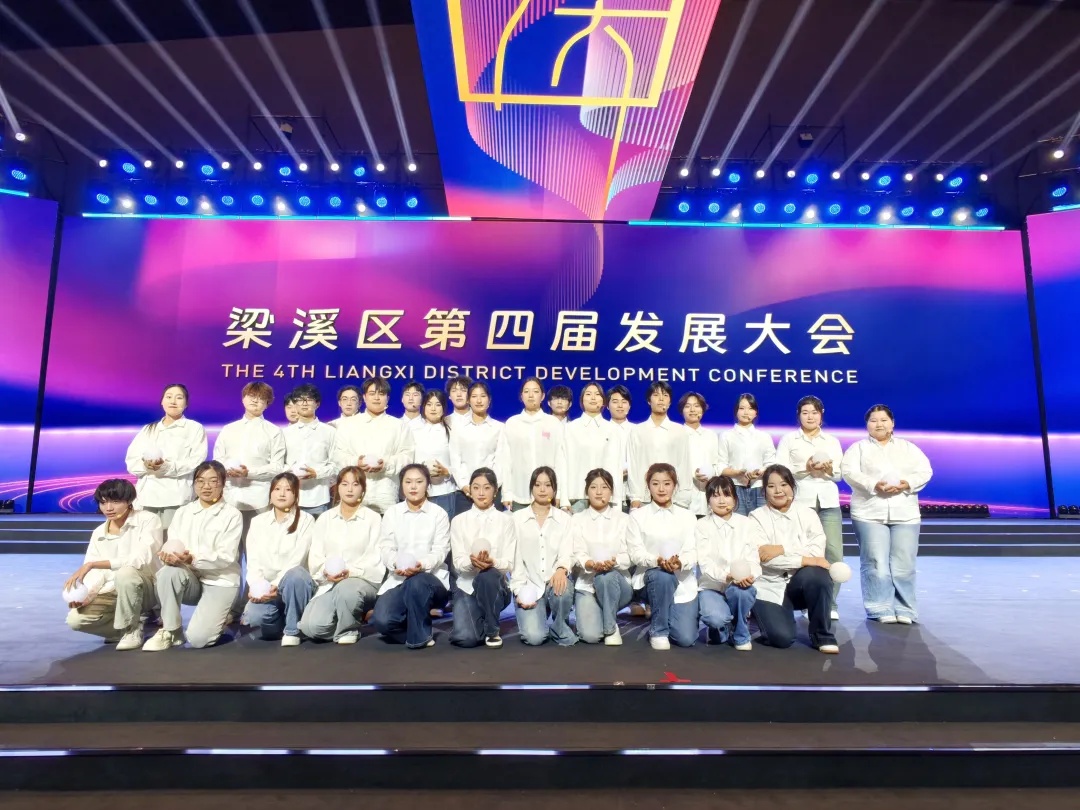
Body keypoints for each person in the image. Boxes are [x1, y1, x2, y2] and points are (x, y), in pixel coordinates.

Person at [842, 404, 933, 625]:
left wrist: (906, 483)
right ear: (867, 425)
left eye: (884, 420)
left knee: (904, 564)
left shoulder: (908, 447)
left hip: (905, 513)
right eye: (873, 420)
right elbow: (849, 472)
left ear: (892, 423)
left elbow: (925, 471)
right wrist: (874, 484)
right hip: (869, 512)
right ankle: (879, 607)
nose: (879, 424)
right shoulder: (858, 448)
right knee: (876, 563)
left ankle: (905, 609)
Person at [143, 461, 242, 650]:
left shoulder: (232, 515)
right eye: (200, 481)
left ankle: (217, 619)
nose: (206, 486)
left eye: (213, 481)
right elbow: (174, 543)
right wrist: (170, 557)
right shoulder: (183, 512)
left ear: (223, 483)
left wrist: (192, 559)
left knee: (199, 640)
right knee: (167, 573)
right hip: (189, 577)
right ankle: (171, 630)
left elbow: (226, 556)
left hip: (219, 580)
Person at [748, 464, 838, 654]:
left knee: (818, 575)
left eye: (784, 484)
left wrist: (782, 548)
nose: (778, 490)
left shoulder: (808, 514)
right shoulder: (755, 518)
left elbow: (816, 552)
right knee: (781, 638)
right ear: (764, 491)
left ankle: (822, 635)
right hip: (770, 585)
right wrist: (805, 559)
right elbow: (765, 559)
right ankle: (762, 613)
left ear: (792, 487)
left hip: (800, 583)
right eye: (771, 486)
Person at [64, 479, 162, 650]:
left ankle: (132, 629)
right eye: (103, 502)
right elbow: (95, 574)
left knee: (126, 574)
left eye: (115, 502)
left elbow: (140, 559)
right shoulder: (99, 532)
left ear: (129, 500)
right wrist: (86, 595)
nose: (108, 508)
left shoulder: (148, 520)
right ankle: (129, 628)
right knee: (76, 620)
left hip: (147, 587)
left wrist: (95, 564)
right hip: (112, 590)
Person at [776, 395, 845, 619]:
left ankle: (830, 604)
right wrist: (805, 468)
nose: (810, 417)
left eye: (814, 412)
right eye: (805, 412)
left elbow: (839, 474)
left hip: (828, 501)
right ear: (798, 416)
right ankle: (807, 602)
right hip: (800, 502)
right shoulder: (789, 440)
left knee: (833, 551)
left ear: (821, 415)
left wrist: (828, 469)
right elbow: (780, 471)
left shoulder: (831, 441)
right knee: (803, 551)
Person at [300, 467, 385, 644]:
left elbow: (375, 559)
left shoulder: (373, 518)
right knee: (312, 628)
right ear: (337, 487)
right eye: (345, 484)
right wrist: (325, 573)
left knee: (347, 589)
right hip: (330, 582)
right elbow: (316, 555)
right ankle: (349, 615)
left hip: (362, 581)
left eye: (355, 484)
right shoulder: (325, 518)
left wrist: (349, 572)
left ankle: (349, 629)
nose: (350, 489)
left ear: (363, 489)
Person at [373, 464, 451, 648]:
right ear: (401, 485)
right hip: (399, 578)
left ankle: (420, 637)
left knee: (417, 582)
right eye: (408, 482)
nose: (413, 487)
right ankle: (415, 627)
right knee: (383, 621)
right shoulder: (392, 513)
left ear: (427, 485)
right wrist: (396, 564)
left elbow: (440, 550)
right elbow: (386, 548)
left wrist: (420, 565)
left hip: (431, 579)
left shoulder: (438, 514)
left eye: (419, 482)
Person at [627, 463, 699, 649]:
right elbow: (635, 553)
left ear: (674, 485)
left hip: (682, 581)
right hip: (651, 578)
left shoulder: (688, 516)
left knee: (685, 639)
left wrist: (680, 562)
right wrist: (656, 560)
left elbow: (693, 551)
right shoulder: (637, 516)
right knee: (662, 576)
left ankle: (667, 612)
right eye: (655, 483)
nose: (661, 489)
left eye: (667, 483)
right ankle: (658, 631)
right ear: (648, 486)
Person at [242, 472, 316, 645]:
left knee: (295, 575)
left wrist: (275, 585)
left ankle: (293, 630)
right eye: (277, 489)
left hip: (294, 586)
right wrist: (257, 588)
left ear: (296, 495)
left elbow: (297, 560)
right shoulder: (258, 522)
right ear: (270, 493)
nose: (282, 494)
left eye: (288, 490)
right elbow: (253, 560)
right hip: (268, 590)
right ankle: (281, 623)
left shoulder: (306, 520)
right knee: (254, 616)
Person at [124, 383, 207, 532]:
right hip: (147, 496)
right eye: (168, 397)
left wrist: (166, 467)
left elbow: (196, 461)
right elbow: (131, 461)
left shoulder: (194, 428)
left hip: (176, 496)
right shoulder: (148, 429)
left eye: (179, 398)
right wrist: (146, 466)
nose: (173, 401)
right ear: (162, 401)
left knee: (173, 540)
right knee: (148, 540)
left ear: (186, 403)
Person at [449, 468, 516, 648]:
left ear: (495, 491)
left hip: (495, 587)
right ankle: (481, 618)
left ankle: (493, 630)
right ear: (469, 490)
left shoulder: (506, 521)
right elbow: (458, 563)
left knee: (488, 575)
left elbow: (509, 563)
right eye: (476, 487)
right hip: (467, 586)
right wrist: (472, 562)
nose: (481, 493)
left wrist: (492, 563)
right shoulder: (458, 521)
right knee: (466, 638)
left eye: (486, 488)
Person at [511, 467, 575, 646]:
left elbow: (567, 552)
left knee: (563, 588)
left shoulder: (564, 519)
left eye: (547, 485)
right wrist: (519, 590)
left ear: (554, 489)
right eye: (537, 484)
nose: (542, 489)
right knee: (535, 638)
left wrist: (562, 569)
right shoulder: (516, 519)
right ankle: (541, 615)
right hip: (529, 584)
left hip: (554, 582)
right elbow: (515, 560)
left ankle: (559, 625)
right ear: (531, 488)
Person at [333, 377, 415, 515]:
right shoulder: (348, 425)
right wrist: (356, 462)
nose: (376, 398)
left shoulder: (399, 425)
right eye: (372, 393)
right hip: (353, 493)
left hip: (386, 494)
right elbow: (338, 455)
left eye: (381, 394)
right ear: (364, 397)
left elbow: (407, 456)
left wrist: (385, 465)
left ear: (388, 398)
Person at [695, 476, 759, 651]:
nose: (722, 501)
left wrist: (749, 575)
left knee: (742, 593)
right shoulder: (701, 525)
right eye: (715, 496)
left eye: (727, 495)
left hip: (740, 585)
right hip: (711, 586)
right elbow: (705, 562)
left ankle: (740, 631)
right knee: (715, 619)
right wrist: (727, 576)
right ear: (708, 500)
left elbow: (754, 558)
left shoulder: (747, 524)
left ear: (735, 498)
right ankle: (721, 626)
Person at [570, 468, 633, 645]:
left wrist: (615, 562)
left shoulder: (624, 519)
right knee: (590, 636)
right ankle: (604, 614)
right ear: (586, 492)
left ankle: (611, 628)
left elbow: (630, 554)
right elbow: (576, 552)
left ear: (611, 492)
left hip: (617, 584)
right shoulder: (577, 520)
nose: (599, 492)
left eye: (604, 487)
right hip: (587, 584)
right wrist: (589, 563)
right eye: (593, 487)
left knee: (606, 577)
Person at [497, 377, 562, 511]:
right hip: (519, 494)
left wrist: (560, 492)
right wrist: (507, 493)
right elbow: (505, 460)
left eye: (535, 391)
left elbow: (560, 460)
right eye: (526, 391)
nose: (531, 395)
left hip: (548, 494)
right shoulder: (512, 423)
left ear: (542, 396)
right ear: (521, 396)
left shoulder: (553, 423)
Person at [556, 382, 623, 512]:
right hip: (576, 498)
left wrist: (617, 503)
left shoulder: (612, 429)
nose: (593, 398)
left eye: (597, 394)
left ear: (603, 401)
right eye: (588, 394)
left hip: (605, 499)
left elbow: (616, 467)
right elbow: (562, 465)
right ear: (582, 400)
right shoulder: (570, 428)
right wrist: (563, 499)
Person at [627, 381, 693, 510]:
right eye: (656, 395)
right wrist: (635, 498)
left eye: (665, 395)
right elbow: (633, 466)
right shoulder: (637, 431)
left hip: (674, 499)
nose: (661, 399)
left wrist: (683, 499)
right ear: (649, 400)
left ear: (670, 402)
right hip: (644, 499)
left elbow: (684, 465)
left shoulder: (679, 431)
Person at [449, 382, 504, 516]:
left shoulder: (499, 428)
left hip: (492, 492)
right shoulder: (458, 428)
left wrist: (492, 486)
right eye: (474, 396)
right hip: (465, 493)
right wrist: (464, 485)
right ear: (468, 400)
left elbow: (502, 461)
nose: (479, 401)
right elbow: (455, 459)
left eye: (483, 396)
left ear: (489, 400)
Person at [282, 383, 338, 517]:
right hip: (289, 496)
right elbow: (278, 463)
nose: (304, 403)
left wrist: (317, 473)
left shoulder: (329, 432)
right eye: (300, 400)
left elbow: (337, 464)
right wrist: (290, 471)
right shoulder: (284, 433)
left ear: (317, 404)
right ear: (295, 404)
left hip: (319, 499)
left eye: (309, 399)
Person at [719, 394, 776, 516]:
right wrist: (737, 473)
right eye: (742, 408)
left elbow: (771, 463)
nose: (746, 412)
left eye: (750, 408)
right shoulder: (726, 436)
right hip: (735, 488)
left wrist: (759, 472)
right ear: (736, 411)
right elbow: (720, 466)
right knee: (738, 525)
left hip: (759, 488)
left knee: (761, 524)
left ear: (756, 413)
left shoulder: (764, 437)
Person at [412, 390, 457, 518]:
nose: (433, 408)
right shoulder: (414, 431)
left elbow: (459, 462)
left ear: (444, 408)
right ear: (423, 406)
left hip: (444, 491)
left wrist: (447, 471)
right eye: (429, 404)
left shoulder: (452, 432)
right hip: (418, 492)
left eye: (437, 405)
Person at [679, 392, 721, 518]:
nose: (692, 410)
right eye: (688, 406)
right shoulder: (677, 434)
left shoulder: (711, 435)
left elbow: (717, 463)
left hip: (708, 495)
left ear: (703, 409)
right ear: (682, 410)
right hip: (684, 497)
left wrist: (711, 474)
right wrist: (694, 474)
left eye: (697, 406)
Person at [606, 385, 633, 513]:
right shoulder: (601, 430)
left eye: (624, 402)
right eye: (615, 402)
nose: (620, 406)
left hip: (631, 494)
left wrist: (629, 468)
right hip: (606, 493)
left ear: (629, 406)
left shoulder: (637, 431)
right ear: (607, 405)